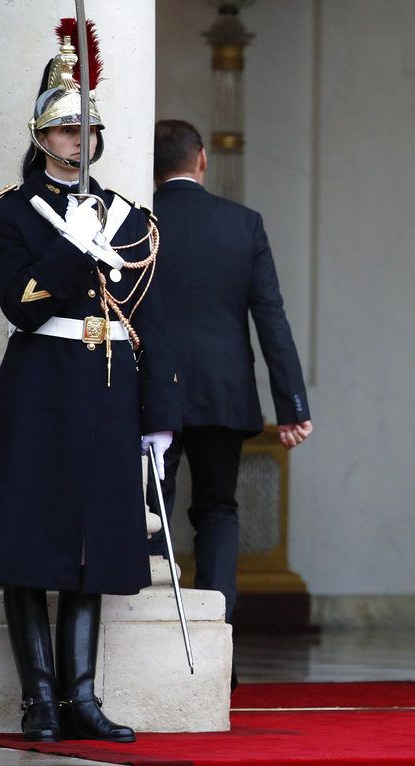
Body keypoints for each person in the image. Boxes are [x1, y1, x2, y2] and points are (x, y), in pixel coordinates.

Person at [0, 22, 179, 743]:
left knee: (92, 545)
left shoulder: (130, 218)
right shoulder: (8, 214)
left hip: (108, 385)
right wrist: (70, 247)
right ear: (41, 136)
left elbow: (151, 318)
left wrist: (158, 411)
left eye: (87, 129)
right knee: (28, 542)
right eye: (65, 131)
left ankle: (82, 698)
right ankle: (39, 701)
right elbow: (21, 302)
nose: (79, 141)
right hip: (40, 386)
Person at [148, 120, 312, 683]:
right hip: (223, 393)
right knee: (217, 510)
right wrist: (292, 403)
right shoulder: (242, 224)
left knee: (151, 515)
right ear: (201, 159)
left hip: (151, 394)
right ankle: (216, 653)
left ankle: (149, 643)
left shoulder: (131, 222)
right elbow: (272, 318)